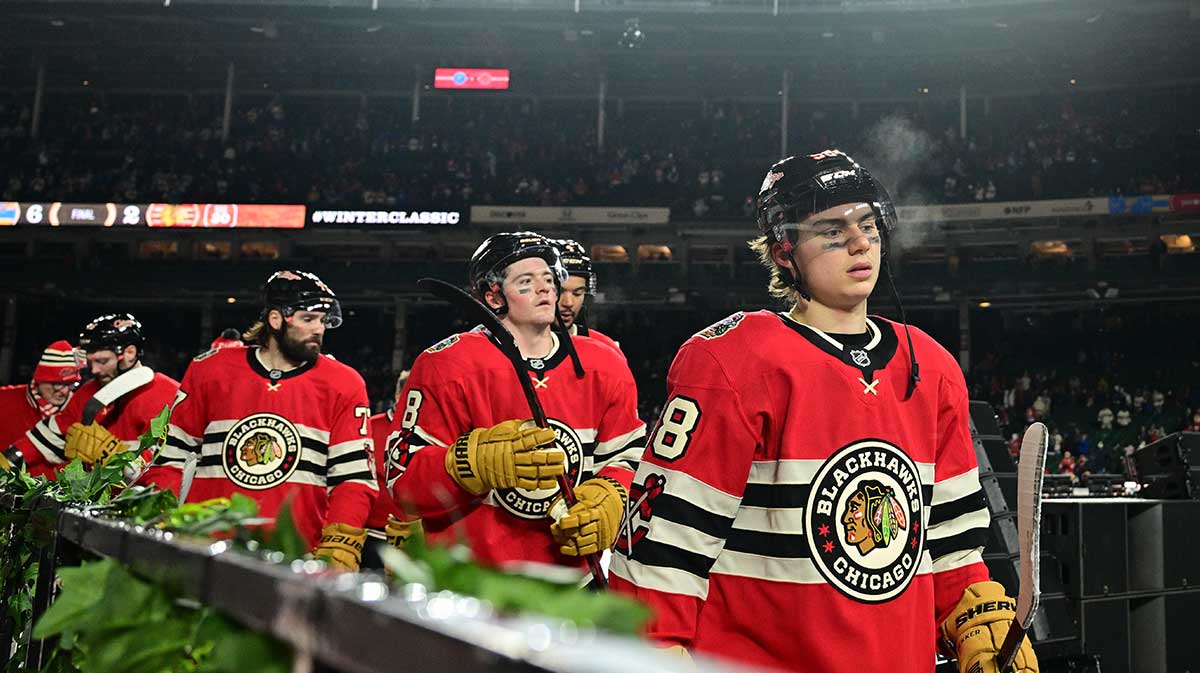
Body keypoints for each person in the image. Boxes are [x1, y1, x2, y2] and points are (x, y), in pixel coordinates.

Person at [609, 150, 1038, 673]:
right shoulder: (730, 362)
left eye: (867, 224)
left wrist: (973, 617)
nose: (859, 243)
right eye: (831, 231)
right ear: (783, 251)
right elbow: (661, 548)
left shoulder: (931, 365)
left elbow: (952, 545)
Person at [388, 232, 645, 570]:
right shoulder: (444, 364)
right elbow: (403, 482)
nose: (545, 289)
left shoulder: (605, 363)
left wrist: (609, 497)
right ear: (494, 297)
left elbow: (629, 460)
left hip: (572, 583)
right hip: (471, 584)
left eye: (549, 279)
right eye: (526, 281)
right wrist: (468, 464)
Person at [142, 271, 377, 570]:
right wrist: (160, 516)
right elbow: (170, 458)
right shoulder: (209, 370)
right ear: (276, 320)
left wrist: (341, 541)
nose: (319, 328)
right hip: (203, 549)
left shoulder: (345, 383)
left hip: (296, 555)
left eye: (323, 320)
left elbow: (353, 479)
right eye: (308, 319)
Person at [3, 314, 179, 478]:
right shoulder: (90, 390)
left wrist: (117, 458)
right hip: (97, 503)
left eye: (102, 361)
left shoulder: (165, 393)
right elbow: (56, 432)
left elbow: (170, 465)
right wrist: (7, 460)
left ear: (130, 353)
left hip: (144, 503)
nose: (94, 370)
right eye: (90, 361)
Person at [0, 341, 82, 475]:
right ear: (39, 379)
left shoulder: (80, 410)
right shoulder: (4, 400)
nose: (63, 391)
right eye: (56, 384)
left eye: (70, 384)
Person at [364, 369, 422, 559]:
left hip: (415, 539)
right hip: (371, 536)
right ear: (398, 395)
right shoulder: (369, 427)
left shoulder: (432, 435)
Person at [553, 239, 623, 357]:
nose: (568, 303)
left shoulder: (605, 348)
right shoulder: (515, 348)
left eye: (577, 293)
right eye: (559, 293)